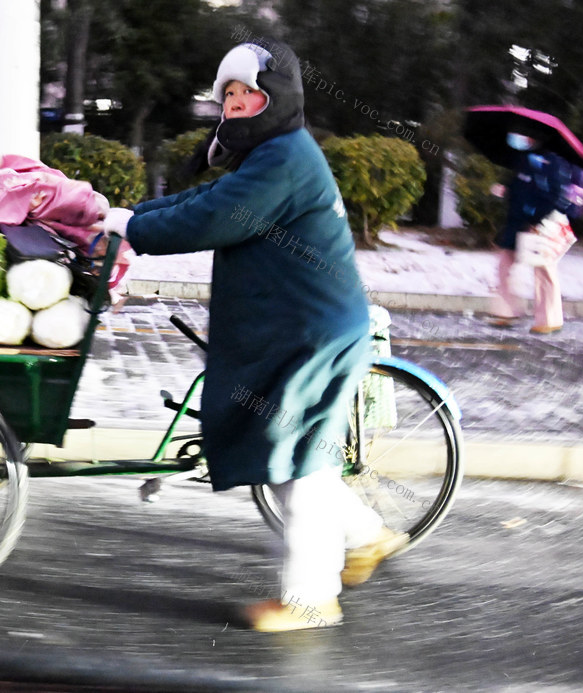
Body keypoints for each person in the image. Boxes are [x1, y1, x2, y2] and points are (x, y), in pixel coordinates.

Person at [100, 41, 406, 632]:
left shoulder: (285, 158)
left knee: (297, 461)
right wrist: (129, 216)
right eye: (229, 95)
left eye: (249, 93)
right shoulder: (267, 154)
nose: (237, 104)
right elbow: (202, 199)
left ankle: (312, 598)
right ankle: (367, 537)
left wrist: (130, 225)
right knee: (294, 451)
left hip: (309, 332)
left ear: (276, 97)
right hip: (297, 325)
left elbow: (213, 218)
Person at [489, 132, 574, 334]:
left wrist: (537, 218)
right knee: (504, 265)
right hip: (516, 222)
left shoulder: (552, 162)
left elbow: (557, 196)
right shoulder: (523, 159)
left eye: (525, 135)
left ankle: (549, 320)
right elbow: (519, 186)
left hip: (538, 224)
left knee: (544, 271)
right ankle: (506, 312)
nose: (520, 138)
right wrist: (505, 190)